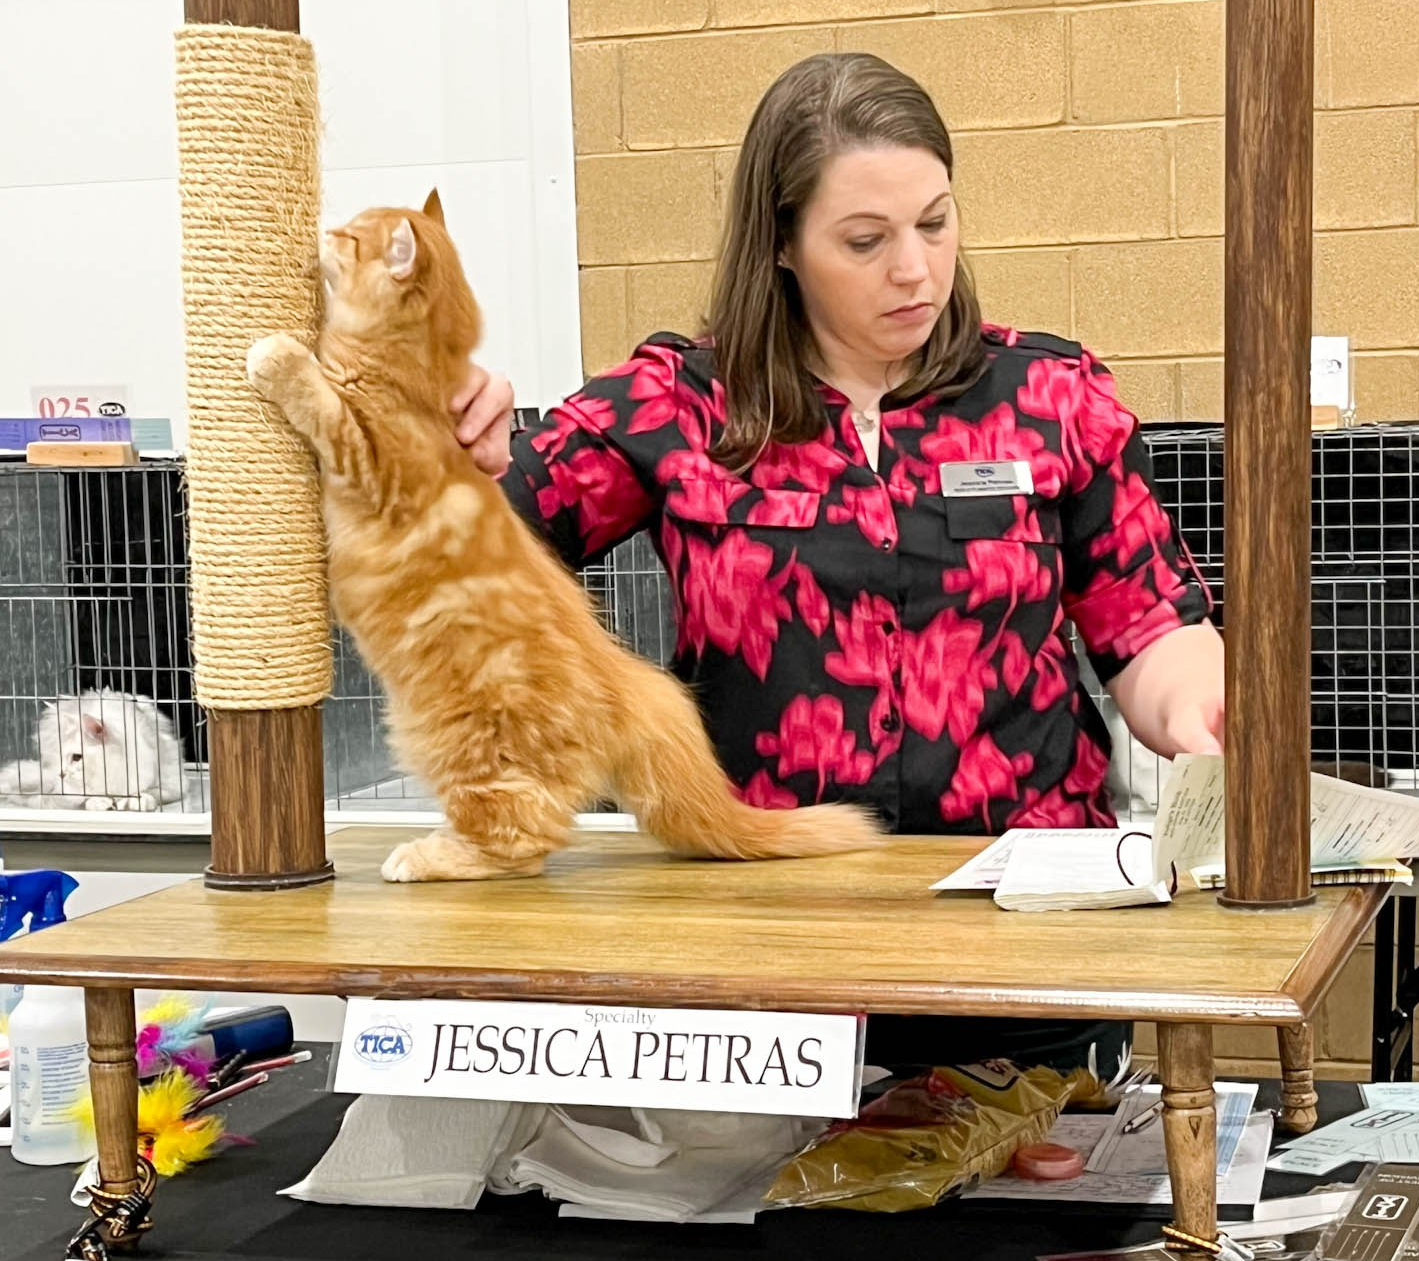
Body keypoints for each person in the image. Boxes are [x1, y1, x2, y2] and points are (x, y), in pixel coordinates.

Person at [447, 53, 1224, 1080]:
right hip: (764, 951)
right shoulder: (678, 406)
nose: (915, 269)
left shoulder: (1050, 396)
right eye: (865, 240)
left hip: (1030, 941)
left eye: (935, 224)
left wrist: (1203, 713)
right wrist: (449, 457)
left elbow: (1150, 626)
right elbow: (472, 562)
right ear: (781, 244)